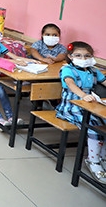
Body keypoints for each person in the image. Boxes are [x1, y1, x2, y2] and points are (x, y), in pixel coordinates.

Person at [55, 41, 106, 184]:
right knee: (94, 127)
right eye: (78, 55)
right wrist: (83, 95)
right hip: (72, 106)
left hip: (90, 105)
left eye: (87, 56)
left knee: (104, 124)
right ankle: (93, 161)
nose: (83, 59)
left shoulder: (93, 70)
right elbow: (70, 84)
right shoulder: (67, 70)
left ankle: (103, 157)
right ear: (70, 56)